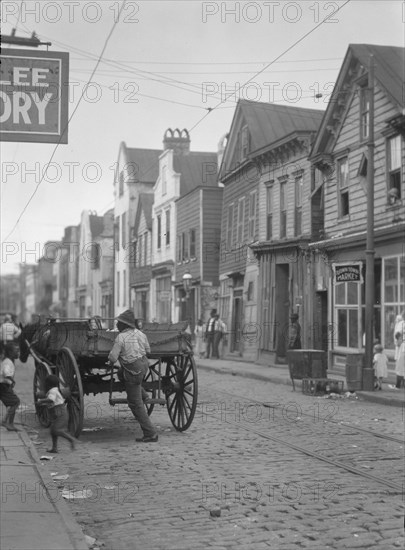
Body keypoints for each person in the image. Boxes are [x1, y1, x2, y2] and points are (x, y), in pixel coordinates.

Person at [108, 310, 158, 443]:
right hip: (143, 365)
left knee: (135, 403)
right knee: (120, 374)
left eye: (119, 322)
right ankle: (144, 394)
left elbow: (113, 358)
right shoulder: (141, 334)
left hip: (133, 371)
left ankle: (150, 433)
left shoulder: (121, 337)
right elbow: (148, 351)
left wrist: (111, 358)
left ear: (124, 325)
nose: (117, 325)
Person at [37, 375, 78, 453]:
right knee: (53, 431)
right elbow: (53, 403)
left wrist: (41, 401)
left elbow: (50, 400)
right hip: (57, 413)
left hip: (60, 413)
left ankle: (71, 439)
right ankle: (54, 448)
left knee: (56, 430)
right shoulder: (55, 390)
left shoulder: (52, 391)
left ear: (48, 384)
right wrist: (43, 404)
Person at [0, 342, 21, 431]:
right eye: (16, 351)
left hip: (4, 385)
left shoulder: (8, 360)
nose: (18, 353)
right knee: (15, 402)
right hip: (2, 386)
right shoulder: (8, 362)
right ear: (10, 352)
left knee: (12, 402)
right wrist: (12, 381)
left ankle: (7, 422)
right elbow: (6, 373)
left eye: (18, 351)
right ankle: (8, 423)